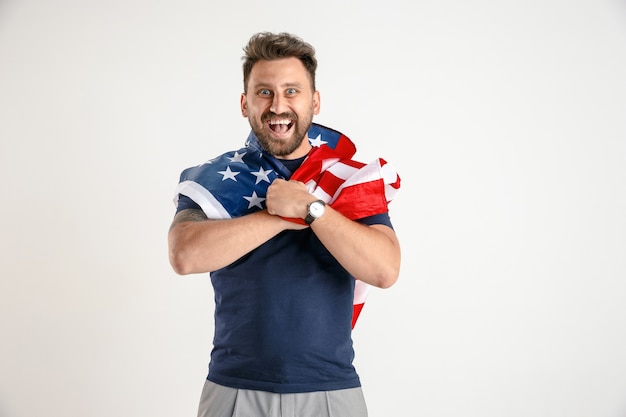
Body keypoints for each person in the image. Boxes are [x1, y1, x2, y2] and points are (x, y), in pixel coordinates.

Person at [168, 32, 401, 417]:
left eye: (292, 91)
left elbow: (384, 268)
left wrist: (312, 209)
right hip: (234, 389)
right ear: (245, 104)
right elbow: (184, 254)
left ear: (315, 101)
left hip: (331, 390)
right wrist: (275, 216)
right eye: (264, 92)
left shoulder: (348, 179)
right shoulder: (213, 178)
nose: (278, 105)